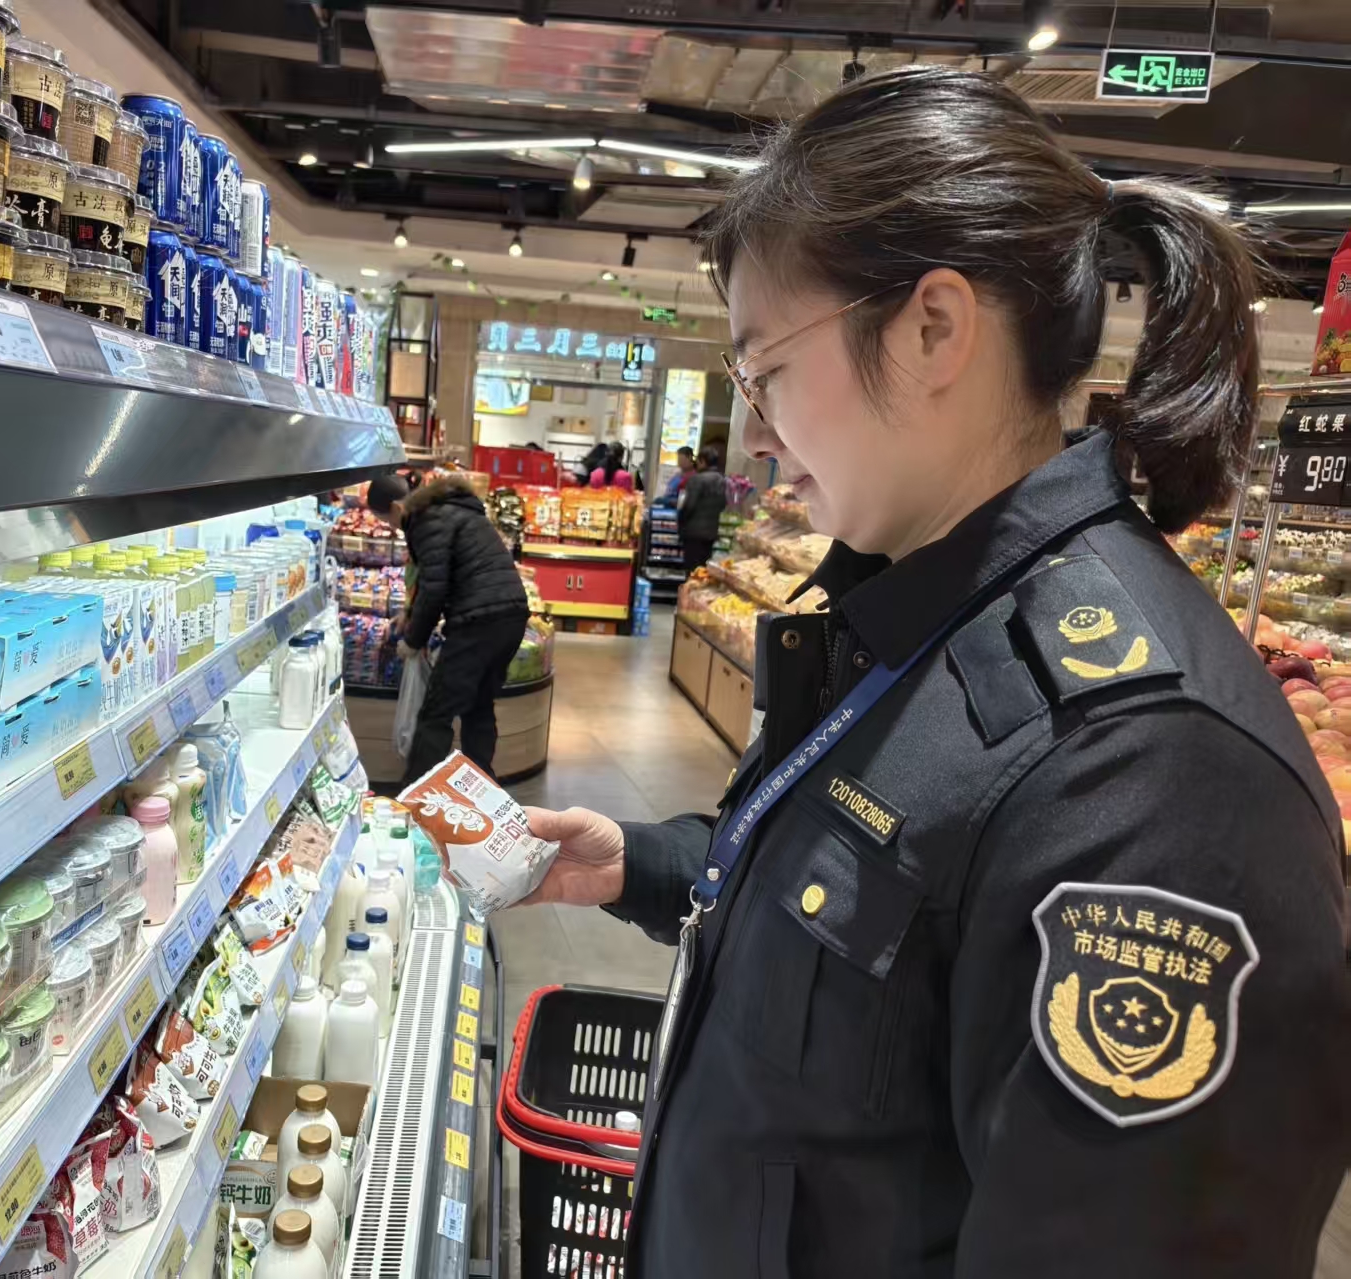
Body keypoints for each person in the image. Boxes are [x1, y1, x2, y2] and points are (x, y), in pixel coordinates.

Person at [518, 67, 1351, 1278]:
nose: (755, 432)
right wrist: (644, 862)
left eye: (763, 370)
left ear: (932, 329)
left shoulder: (1155, 784)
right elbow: (886, 906)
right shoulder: (921, 615)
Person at [367, 472, 530, 783]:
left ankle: (415, 797)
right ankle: (480, 790)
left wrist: (413, 641)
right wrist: (410, 614)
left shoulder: (425, 520)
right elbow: (438, 576)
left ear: (396, 508)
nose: (392, 527)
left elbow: (434, 589)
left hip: (479, 623)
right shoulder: (449, 508)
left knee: (436, 713)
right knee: (478, 707)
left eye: (387, 520)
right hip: (511, 617)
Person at [677, 440, 726, 571]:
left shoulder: (696, 480)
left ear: (703, 461)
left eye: (698, 461)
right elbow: (723, 504)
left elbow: (688, 506)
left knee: (692, 568)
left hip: (693, 533)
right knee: (704, 568)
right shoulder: (722, 480)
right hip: (711, 533)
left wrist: (680, 523)